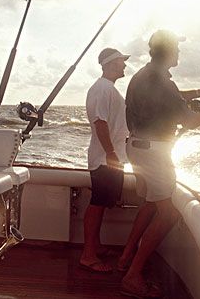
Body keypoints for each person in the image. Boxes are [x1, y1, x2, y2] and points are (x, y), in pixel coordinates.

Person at [118, 29, 200, 298]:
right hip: (154, 153)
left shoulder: (146, 75)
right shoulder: (162, 82)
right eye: (176, 48)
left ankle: (125, 258)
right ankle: (132, 276)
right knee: (169, 213)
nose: (179, 52)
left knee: (151, 204)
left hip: (137, 147)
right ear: (168, 51)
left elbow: (173, 98)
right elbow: (189, 121)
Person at [79, 47, 130, 273]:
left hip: (109, 157)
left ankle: (95, 247)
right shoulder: (102, 89)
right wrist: (110, 153)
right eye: (121, 62)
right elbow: (100, 122)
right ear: (110, 64)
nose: (125, 66)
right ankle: (88, 255)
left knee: (101, 204)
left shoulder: (107, 88)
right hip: (104, 159)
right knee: (97, 204)